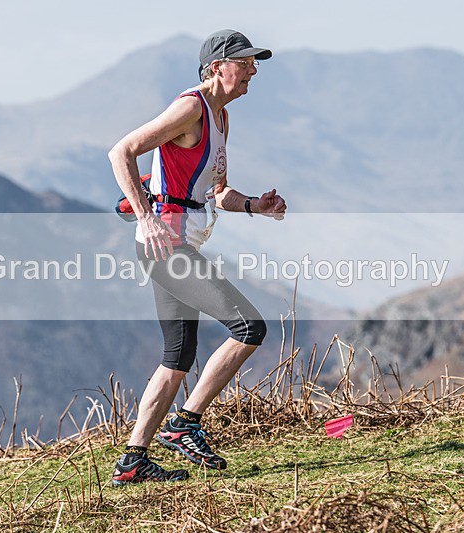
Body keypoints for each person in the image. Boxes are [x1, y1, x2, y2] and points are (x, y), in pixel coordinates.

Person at [109, 29, 286, 485]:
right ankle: (183, 426)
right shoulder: (192, 108)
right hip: (167, 246)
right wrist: (147, 217)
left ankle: (133, 460)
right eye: (244, 63)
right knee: (250, 327)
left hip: (177, 245)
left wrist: (254, 206)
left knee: (176, 358)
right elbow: (122, 152)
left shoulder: (221, 118)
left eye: (255, 64)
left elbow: (215, 192)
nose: (252, 71)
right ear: (216, 68)